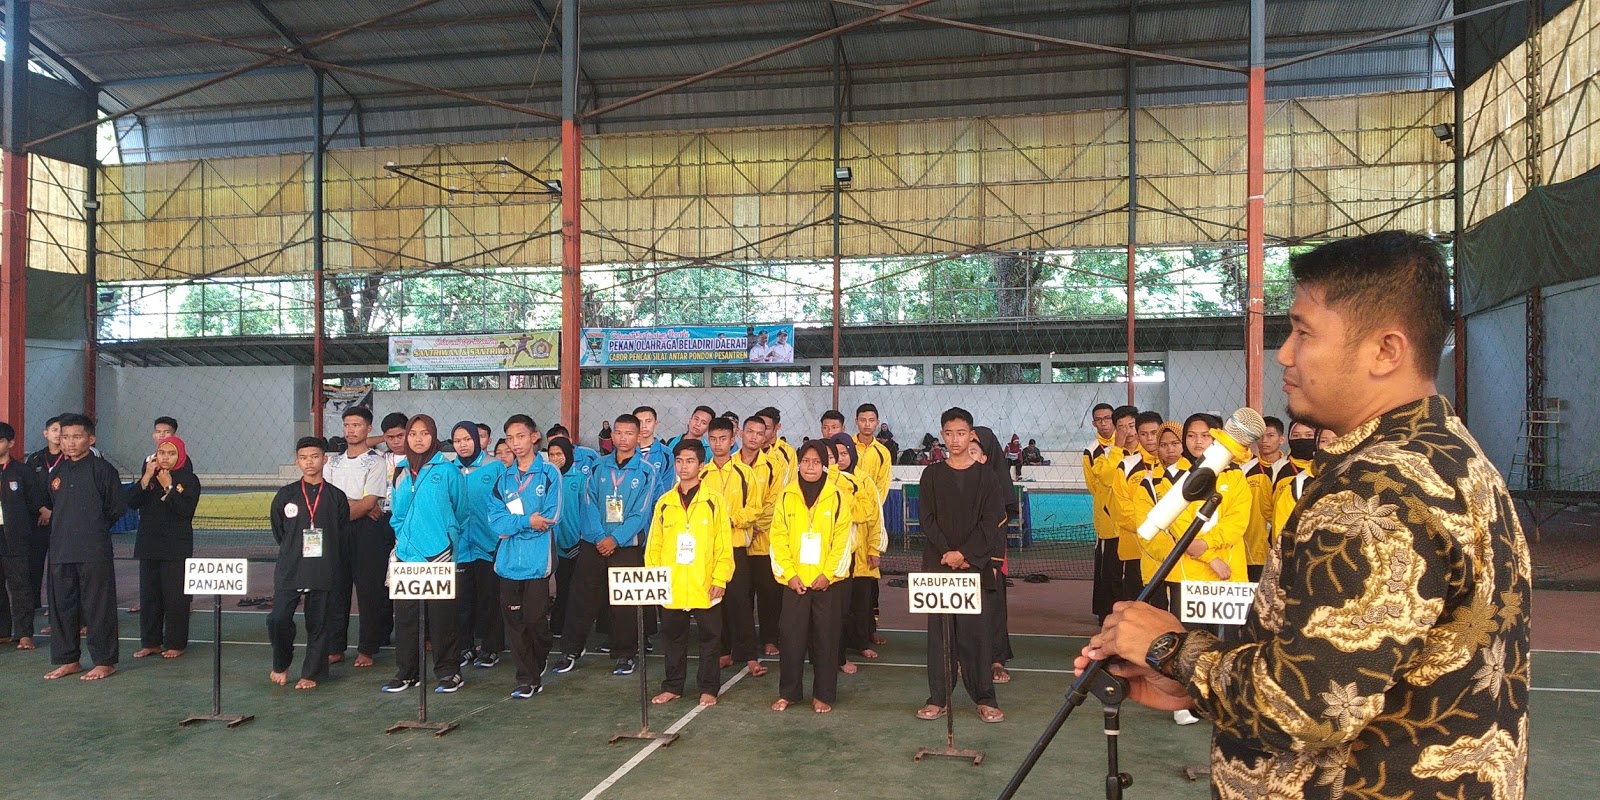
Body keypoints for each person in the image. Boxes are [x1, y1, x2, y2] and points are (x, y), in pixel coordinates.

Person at [1080, 231, 1530, 798]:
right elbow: (1355, 670)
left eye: (1303, 331)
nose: (1286, 353)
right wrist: (1196, 682)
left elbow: (1305, 705)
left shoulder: (1374, 493)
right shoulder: (1449, 456)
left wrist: (1172, 647)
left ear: (1385, 351)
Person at [915, 408, 1006, 724]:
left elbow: (991, 521)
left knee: (975, 635)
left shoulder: (987, 478)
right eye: (949, 433)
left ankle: (985, 697)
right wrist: (948, 553)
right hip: (939, 566)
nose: (955, 440)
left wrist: (965, 555)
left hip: (973, 567)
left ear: (971, 436)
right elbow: (926, 519)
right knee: (939, 635)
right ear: (942, 436)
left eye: (961, 433)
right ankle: (938, 699)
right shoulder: (931, 475)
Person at [554, 414, 658, 676]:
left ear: (638, 436)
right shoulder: (598, 467)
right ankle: (570, 651)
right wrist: (600, 536)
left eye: (629, 433)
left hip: (626, 545)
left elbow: (642, 513)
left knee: (624, 603)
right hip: (594, 542)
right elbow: (587, 505)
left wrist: (616, 538)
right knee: (581, 598)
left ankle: (625, 653)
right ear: (612, 436)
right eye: (618, 433)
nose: (623, 438)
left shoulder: (647, 471)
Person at [382, 415, 468, 695]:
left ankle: (449, 671)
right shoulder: (401, 472)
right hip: (406, 556)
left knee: (442, 618)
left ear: (434, 436)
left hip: (439, 556)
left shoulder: (448, 471)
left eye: (424, 433)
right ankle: (407, 672)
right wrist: (403, 539)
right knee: (405, 618)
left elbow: (461, 511)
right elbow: (397, 513)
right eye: (413, 434)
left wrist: (446, 540)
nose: (418, 439)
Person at [647, 440, 735, 706]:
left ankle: (708, 687)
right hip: (672, 584)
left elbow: (723, 544)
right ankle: (673, 686)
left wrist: (720, 578)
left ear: (701, 465)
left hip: (704, 582)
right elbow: (654, 544)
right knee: (673, 637)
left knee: (710, 638)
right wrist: (655, 579)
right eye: (679, 461)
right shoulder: (664, 502)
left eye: (690, 461)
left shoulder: (714, 501)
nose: (683, 467)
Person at [768, 440, 852, 714]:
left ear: (824, 465)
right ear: (799, 463)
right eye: (806, 461)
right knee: (791, 639)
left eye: (817, 462)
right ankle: (789, 693)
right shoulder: (785, 495)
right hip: (795, 584)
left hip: (826, 584)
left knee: (826, 640)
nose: (811, 467)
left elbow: (843, 540)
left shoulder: (838, 496)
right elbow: (777, 538)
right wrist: (789, 575)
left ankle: (823, 695)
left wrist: (828, 574)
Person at [43, 414, 126, 682]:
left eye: (76, 437)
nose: (69, 442)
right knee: (62, 606)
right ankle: (68, 659)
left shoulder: (103, 470)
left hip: (93, 551)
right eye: (65, 437)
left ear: (90, 439)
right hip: (60, 550)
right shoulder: (57, 471)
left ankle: (104, 661)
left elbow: (115, 508)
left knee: (97, 607)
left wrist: (93, 528)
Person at [487, 414, 562, 699]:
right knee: (514, 625)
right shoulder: (503, 478)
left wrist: (517, 526)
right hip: (507, 563)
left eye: (521, 436)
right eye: (510, 438)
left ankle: (539, 657)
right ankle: (526, 678)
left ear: (534, 437)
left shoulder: (549, 473)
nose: (515, 443)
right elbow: (495, 521)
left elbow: (551, 516)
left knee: (535, 621)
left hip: (537, 562)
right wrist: (526, 523)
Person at [267, 438, 351, 689]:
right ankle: (281, 663)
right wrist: (294, 550)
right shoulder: (286, 495)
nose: (309, 462)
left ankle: (312, 673)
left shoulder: (336, 496)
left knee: (319, 621)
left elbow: (342, 532)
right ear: (297, 461)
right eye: (303, 457)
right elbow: (278, 530)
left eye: (314, 456)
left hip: (323, 567)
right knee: (278, 618)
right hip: (291, 566)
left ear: (324, 459)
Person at [322, 406, 392, 669]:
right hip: (337, 532)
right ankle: (335, 647)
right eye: (347, 425)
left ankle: (367, 648)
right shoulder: (333, 462)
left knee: (368, 590)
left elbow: (369, 504)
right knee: (336, 589)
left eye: (357, 425)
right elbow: (327, 501)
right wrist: (354, 504)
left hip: (367, 532)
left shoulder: (376, 461)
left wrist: (349, 506)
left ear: (368, 429)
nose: (351, 430)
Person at [698, 417, 766, 677]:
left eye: (723, 439)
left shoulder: (744, 473)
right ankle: (723, 653)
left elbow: (755, 509)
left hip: (736, 548)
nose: (717, 444)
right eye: (713, 439)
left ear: (732, 439)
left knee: (740, 603)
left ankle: (749, 656)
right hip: (709, 551)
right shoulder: (702, 473)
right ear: (708, 440)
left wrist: (732, 520)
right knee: (716, 603)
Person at [128, 435, 199, 659]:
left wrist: (169, 486)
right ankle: (150, 642)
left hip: (176, 546)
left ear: (180, 455)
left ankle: (175, 643)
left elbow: (184, 510)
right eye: (161, 453)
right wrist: (147, 476)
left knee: (175, 597)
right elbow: (131, 502)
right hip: (149, 544)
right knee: (150, 596)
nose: (165, 458)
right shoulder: (149, 478)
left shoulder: (189, 480)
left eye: (171, 453)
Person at [450, 421, 506, 670]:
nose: (462, 444)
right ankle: (465, 647)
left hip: (489, 545)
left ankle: (491, 647)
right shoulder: (448, 470)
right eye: (457, 440)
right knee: (461, 601)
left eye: (467, 439)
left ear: (477, 439)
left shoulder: (494, 467)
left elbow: (507, 502)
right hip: (460, 548)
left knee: (490, 598)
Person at [825, 432, 878, 675]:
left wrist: (874, 547)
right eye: (834, 455)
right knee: (828, 609)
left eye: (844, 453)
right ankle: (827, 653)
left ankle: (852, 647)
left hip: (852, 552)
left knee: (854, 605)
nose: (840, 459)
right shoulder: (817, 480)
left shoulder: (861, 481)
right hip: (821, 556)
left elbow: (869, 514)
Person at [0, 422, 49, 650]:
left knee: (20, 584)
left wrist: (44, 511)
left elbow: (35, 500)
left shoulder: (21, 471)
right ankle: (2, 632)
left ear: (10, 443)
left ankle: (24, 633)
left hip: (16, 537)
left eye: (0, 440)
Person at [973, 426, 1015, 684]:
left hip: (992, 555)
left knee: (993, 605)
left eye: (975, 447)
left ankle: (996, 658)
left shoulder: (996, 483)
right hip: (961, 557)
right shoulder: (952, 478)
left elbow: (1000, 521)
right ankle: (962, 656)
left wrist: (990, 559)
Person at [739, 414, 783, 657]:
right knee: (740, 598)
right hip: (736, 543)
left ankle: (769, 639)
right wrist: (742, 530)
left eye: (760, 432)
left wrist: (754, 529)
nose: (755, 437)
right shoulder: (730, 464)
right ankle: (742, 643)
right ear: (741, 433)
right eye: (750, 432)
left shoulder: (774, 466)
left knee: (769, 596)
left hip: (764, 543)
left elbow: (774, 503)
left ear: (767, 434)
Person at [851, 404, 892, 649]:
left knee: (869, 582)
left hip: (870, 523)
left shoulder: (882, 453)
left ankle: (870, 630)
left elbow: (882, 489)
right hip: (846, 521)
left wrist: (869, 512)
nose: (867, 424)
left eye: (871, 420)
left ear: (877, 423)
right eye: (863, 420)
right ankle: (848, 633)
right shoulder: (846, 446)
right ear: (856, 421)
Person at [23, 415, 64, 617]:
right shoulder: (35, 459)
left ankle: (57, 604)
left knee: (59, 564)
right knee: (34, 562)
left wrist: (54, 512)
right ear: (46, 433)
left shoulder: (69, 458)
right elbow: (29, 489)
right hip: (39, 518)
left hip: (63, 519)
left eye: (61, 430)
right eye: (54, 430)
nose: (58, 434)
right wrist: (42, 509)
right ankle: (32, 603)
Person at [1240, 415, 1289, 583]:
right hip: (1251, 550)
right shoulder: (1244, 470)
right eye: (1261, 436)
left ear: (1281, 439)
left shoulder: (1289, 470)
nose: (1264, 440)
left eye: (1270, 435)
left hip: (1282, 549)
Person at [1272, 420, 1319, 535]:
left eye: (1308, 435)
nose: (1302, 439)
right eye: (1296, 435)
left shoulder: (1322, 468)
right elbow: (1267, 508)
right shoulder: (1276, 468)